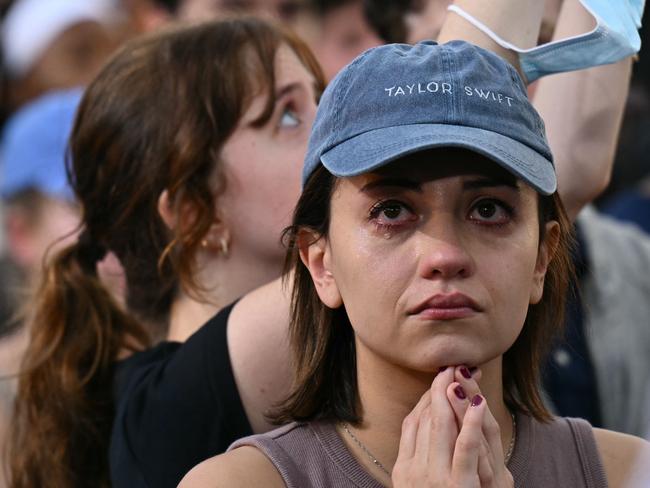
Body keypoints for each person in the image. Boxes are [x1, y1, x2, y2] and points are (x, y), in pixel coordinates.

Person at [182, 38, 650, 488]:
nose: (445, 256)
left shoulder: (630, 473)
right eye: (391, 211)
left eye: (488, 209)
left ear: (541, 260)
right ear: (321, 263)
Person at [8, 17, 325, 488]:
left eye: (322, 97)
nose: (332, 125)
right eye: (288, 115)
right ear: (196, 213)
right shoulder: (167, 411)